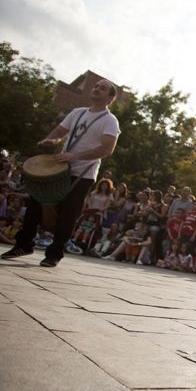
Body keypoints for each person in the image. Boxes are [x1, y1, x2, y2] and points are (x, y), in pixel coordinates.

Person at [2, 79, 120, 267]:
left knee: (67, 214)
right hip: (59, 168)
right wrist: (51, 139)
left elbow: (107, 149)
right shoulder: (78, 113)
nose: (97, 88)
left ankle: (54, 254)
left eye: (102, 88)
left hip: (82, 174)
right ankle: (24, 244)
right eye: (96, 85)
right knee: (36, 202)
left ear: (110, 98)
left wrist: (75, 156)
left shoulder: (109, 121)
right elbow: (60, 131)